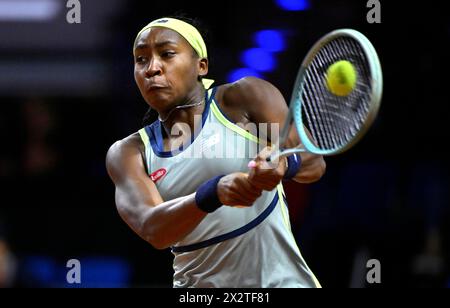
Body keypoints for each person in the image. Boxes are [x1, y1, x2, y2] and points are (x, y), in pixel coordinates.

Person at [106, 16, 326, 288]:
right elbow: (154, 229)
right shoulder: (129, 153)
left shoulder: (245, 97)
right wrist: (213, 193)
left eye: (167, 54)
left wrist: (284, 164)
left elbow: (314, 162)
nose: (152, 68)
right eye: (141, 59)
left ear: (201, 65)